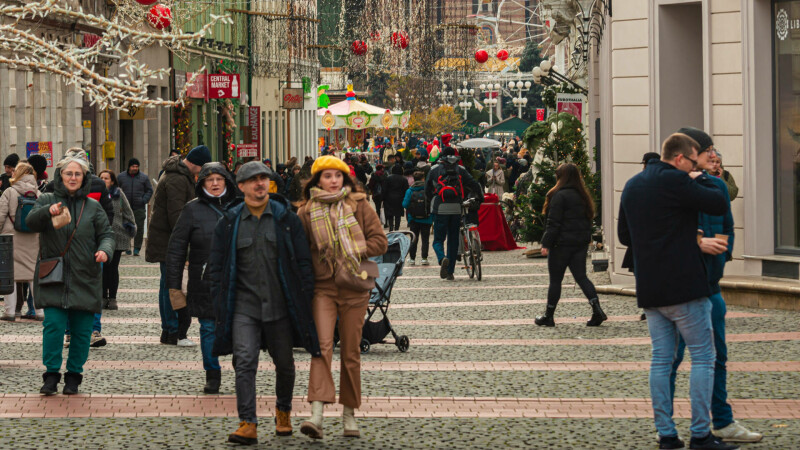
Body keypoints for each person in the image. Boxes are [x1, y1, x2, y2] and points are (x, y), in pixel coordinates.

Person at [618, 133, 736, 450]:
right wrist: (704, 177)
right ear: (681, 158)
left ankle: (667, 435)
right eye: (695, 159)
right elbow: (719, 201)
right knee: (704, 357)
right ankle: (700, 433)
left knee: (661, 361)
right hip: (685, 286)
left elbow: (624, 234)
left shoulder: (633, 184)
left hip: (650, 289)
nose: (697, 164)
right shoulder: (679, 180)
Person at [205, 161, 320, 444]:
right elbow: (216, 267)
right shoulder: (229, 223)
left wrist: (306, 295)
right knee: (244, 361)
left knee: (285, 363)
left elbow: (303, 262)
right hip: (243, 305)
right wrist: (219, 300)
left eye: (264, 179)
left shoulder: (286, 219)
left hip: (280, 305)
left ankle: (283, 411)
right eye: (253, 180)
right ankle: (248, 422)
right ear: (241, 186)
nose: (260, 184)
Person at [668, 128, 761, 444]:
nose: (714, 154)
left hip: (711, 288)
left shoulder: (718, 186)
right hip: (681, 288)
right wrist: (697, 244)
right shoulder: (673, 186)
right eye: (708, 149)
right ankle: (666, 427)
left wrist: (721, 252)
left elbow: (726, 228)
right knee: (671, 359)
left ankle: (721, 421)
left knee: (717, 357)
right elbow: (666, 234)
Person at [297, 156, 387, 440]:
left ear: (345, 178)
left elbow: (380, 241)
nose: (333, 180)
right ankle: (317, 415)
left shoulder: (359, 204)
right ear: (317, 180)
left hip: (355, 286)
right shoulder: (306, 211)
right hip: (323, 288)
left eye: (338, 175)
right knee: (321, 347)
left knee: (350, 352)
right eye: (327, 176)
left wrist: (352, 248)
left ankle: (349, 413)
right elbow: (301, 252)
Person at [26, 156, 114, 396]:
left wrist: (104, 251)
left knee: (83, 329)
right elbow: (30, 222)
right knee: (53, 325)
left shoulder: (92, 206)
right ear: (60, 176)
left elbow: (107, 234)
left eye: (77, 174)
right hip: (53, 275)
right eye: (68, 174)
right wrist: (47, 211)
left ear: (84, 178)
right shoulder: (46, 199)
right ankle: (51, 375)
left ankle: (74, 375)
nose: (73, 178)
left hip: (85, 276)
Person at [166, 162, 241, 394]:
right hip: (204, 279)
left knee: (241, 328)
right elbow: (176, 248)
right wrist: (174, 284)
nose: (215, 184)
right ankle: (212, 374)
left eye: (219, 179)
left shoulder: (240, 206)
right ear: (202, 183)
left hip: (239, 278)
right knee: (208, 327)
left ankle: (243, 373)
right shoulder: (192, 210)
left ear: (227, 181)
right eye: (210, 180)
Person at [146, 145, 210, 345]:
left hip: (167, 239)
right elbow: (177, 215)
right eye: (201, 168)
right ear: (195, 163)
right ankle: (172, 330)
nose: (201, 172)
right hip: (170, 241)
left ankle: (169, 330)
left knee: (167, 283)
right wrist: (186, 241)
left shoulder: (178, 175)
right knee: (171, 285)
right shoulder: (177, 178)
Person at [534, 163, 606, 327]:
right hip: (579, 244)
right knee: (581, 277)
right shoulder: (583, 196)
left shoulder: (559, 196)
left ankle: (549, 315)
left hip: (561, 245)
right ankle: (597, 309)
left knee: (555, 280)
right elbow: (588, 220)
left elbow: (554, 223)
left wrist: (546, 243)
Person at [425, 147, 482, 280]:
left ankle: (442, 258)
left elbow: (427, 189)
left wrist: (429, 205)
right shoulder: (460, 169)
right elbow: (474, 184)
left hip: (440, 208)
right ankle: (450, 272)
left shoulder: (434, 169)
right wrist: (480, 197)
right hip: (456, 207)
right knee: (453, 240)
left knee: (438, 239)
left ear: (442, 156)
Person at [621, 151, 662, 322]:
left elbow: (623, 221)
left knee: (643, 277)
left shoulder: (633, 185)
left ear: (644, 164)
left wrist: (628, 240)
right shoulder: (669, 182)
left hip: (639, 242)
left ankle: (649, 308)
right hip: (663, 241)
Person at [0, 163, 43, 321]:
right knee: (34, 274)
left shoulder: (9, 192)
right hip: (33, 237)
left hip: (10, 238)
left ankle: (10, 312)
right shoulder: (38, 192)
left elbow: (0, 215)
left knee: (10, 274)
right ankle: (40, 312)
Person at [98, 170, 136, 311]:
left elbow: (129, 213)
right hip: (101, 236)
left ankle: (112, 298)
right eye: (101, 177)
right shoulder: (96, 194)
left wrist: (130, 228)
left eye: (106, 178)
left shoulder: (118, 194)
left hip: (118, 236)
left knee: (112, 268)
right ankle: (102, 296)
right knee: (102, 268)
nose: (103, 180)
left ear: (112, 181)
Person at [117, 158, 153, 256]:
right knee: (125, 227)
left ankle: (137, 248)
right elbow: (116, 189)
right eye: (133, 166)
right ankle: (127, 246)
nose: (135, 168)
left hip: (139, 207)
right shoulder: (121, 177)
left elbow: (149, 190)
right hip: (125, 207)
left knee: (139, 228)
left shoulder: (144, 178)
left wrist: (144, 200)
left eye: (137, 166)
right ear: (129, 167)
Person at [402, 171, 433, 266]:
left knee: (413, 238)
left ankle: (412, 258)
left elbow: (405, 204)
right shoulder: (428, 190)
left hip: (413, 219)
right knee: (425, 239)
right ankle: (424, 258)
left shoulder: (410, 190)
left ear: (414, 179)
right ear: (423, 178)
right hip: (427, 218)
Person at [382, 164, 409, 232]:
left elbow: (384, 189)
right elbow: (406, 190)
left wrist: (383, 198)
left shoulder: (388, 178)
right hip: (399, 199)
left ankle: (391, 227)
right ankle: (397, 228)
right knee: (398, 215)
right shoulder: (404, 179)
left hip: (389, 198)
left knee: (390, 214)